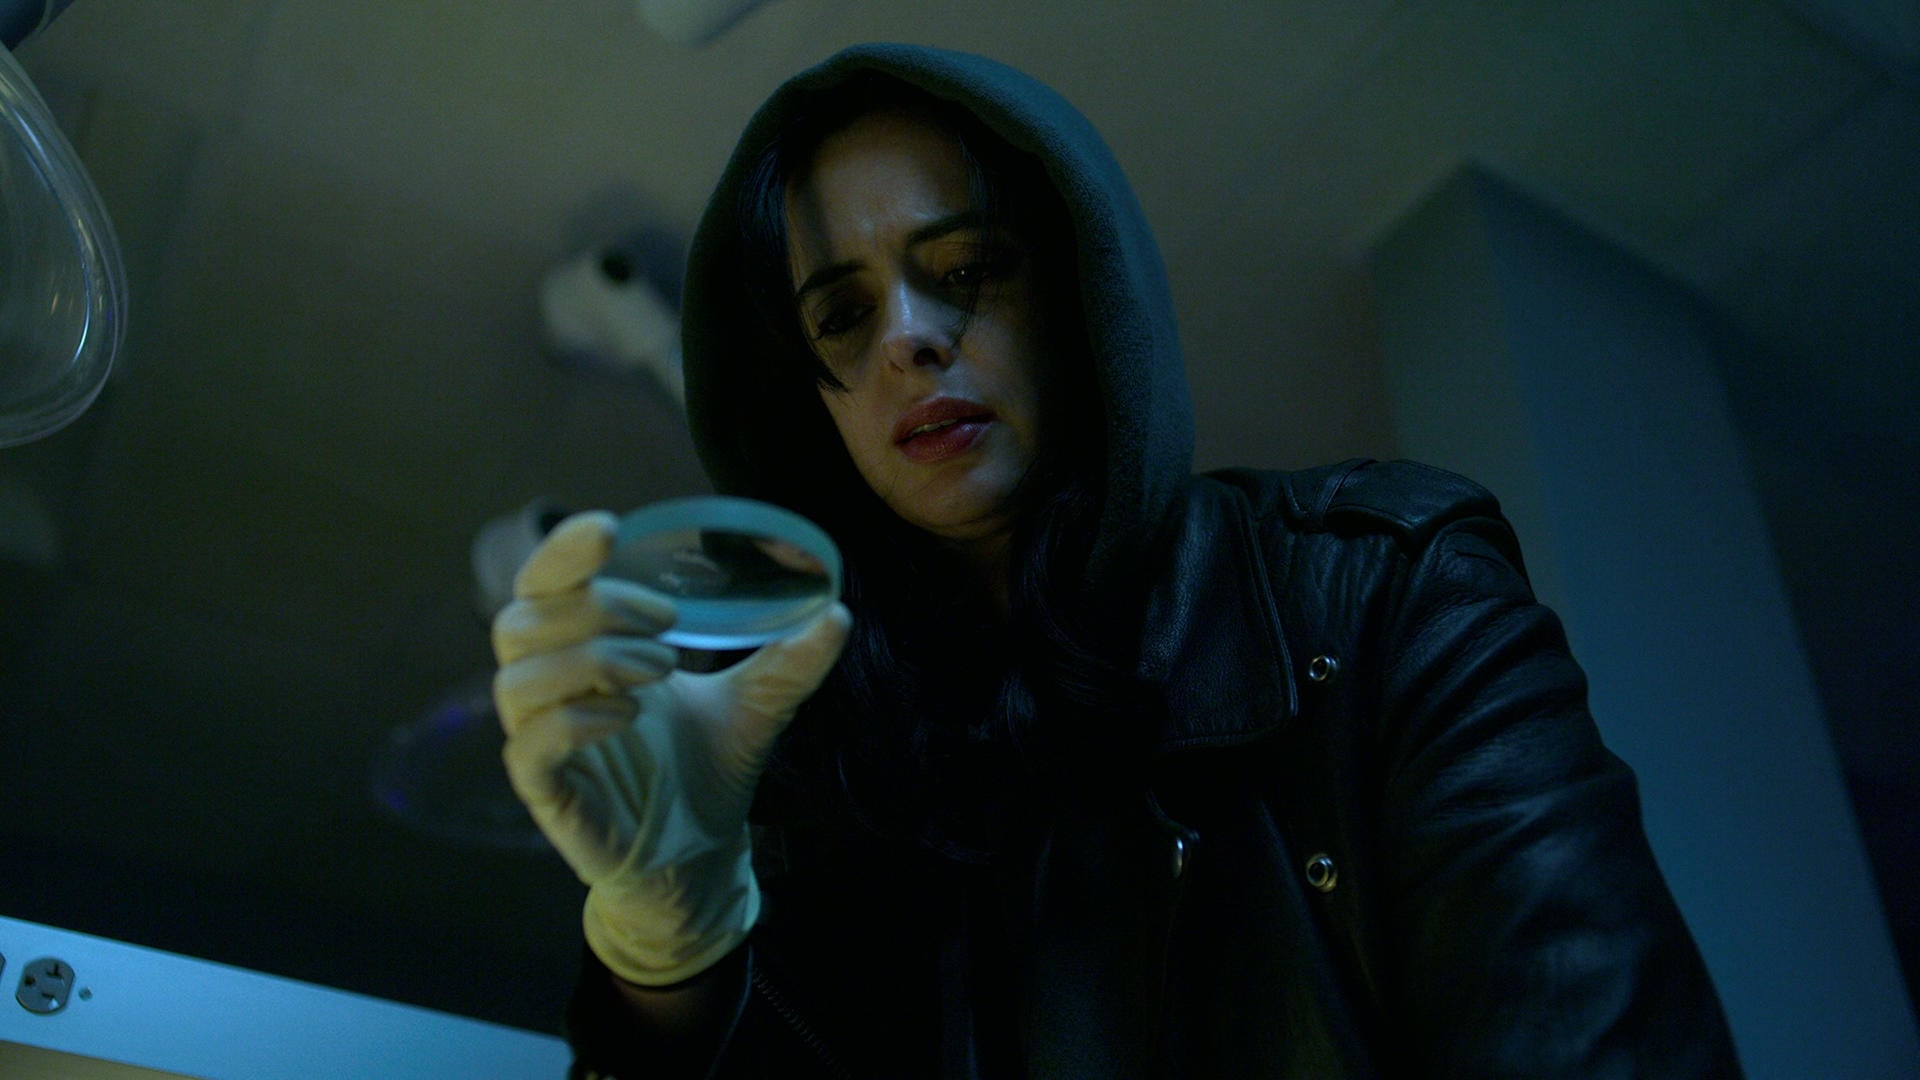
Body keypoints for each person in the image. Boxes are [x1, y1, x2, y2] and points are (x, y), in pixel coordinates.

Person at [490, 43, 1742, 1078]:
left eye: (965, 269)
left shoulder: (1387, 593)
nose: (908, 339)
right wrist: (669, 960)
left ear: (1076, 288)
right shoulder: (814, 787)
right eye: (844, 315)